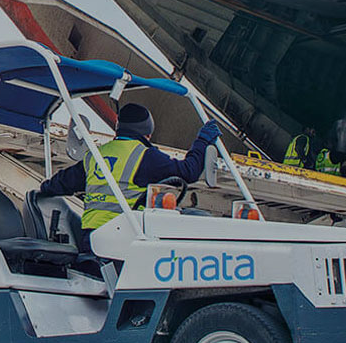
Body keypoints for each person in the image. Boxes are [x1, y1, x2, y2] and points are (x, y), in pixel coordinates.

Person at [38, 103, 221, 245]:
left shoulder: (96, 155)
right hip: (126, 239)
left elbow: (60, 183)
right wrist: (202, 141)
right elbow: (189, 171)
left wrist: (43, 189)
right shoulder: (145, 156)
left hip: (91, 238)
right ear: (147, 133)